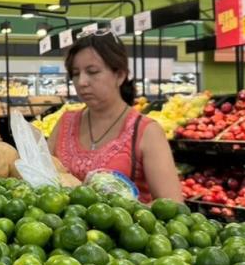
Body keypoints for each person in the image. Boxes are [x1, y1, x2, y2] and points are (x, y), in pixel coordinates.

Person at [48, 31, 183, 203]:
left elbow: (172, 204)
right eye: (75, 73)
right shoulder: (65, 123)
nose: (81, 82)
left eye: (93, 71)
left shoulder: (146, 132)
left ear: (119, 75)